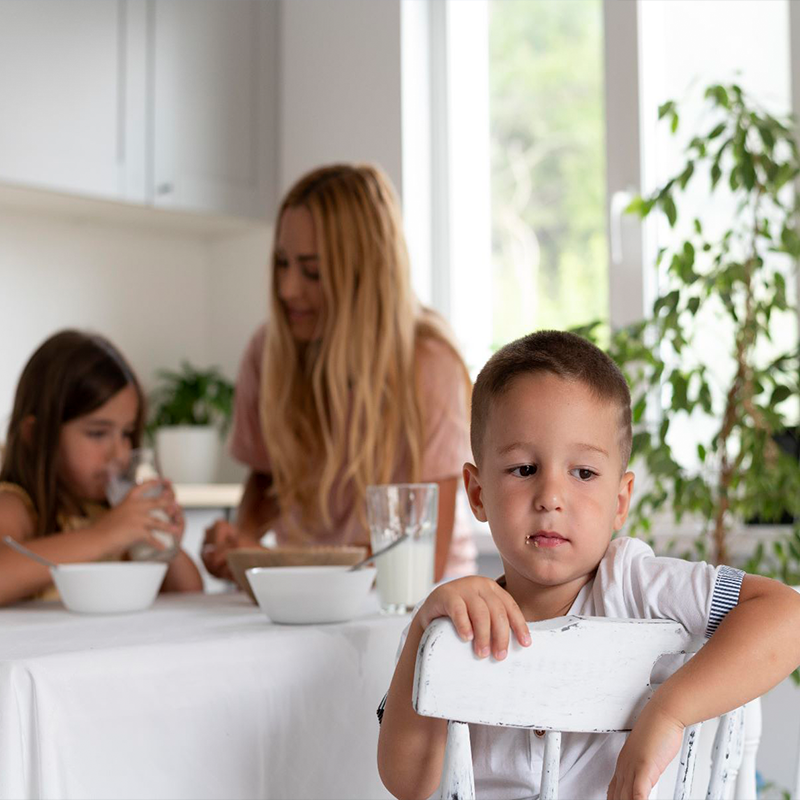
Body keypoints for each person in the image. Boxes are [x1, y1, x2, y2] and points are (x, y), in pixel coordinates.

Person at [377, 330, 800, 800]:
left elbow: (789, 614)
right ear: (478, 494)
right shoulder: (458, 626)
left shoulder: (635, 584)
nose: (551, 497)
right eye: (524, 469)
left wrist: (668, 711)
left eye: (583, 473)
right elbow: (408, 783)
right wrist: (425, 628)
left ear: (620, 501)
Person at [202, 163, 475, 583]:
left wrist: (285, 564)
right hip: (310, 596)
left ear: (366, 273)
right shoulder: (267, 351)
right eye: (282, 263)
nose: (288, 289)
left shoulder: (429, 362)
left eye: (312, 270)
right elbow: (267, 478)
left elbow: (419, 561)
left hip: (419, 604)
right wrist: (240, 541)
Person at [0, 330, 203, 605]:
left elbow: (190, 596)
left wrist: (166, 543)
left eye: (126, 433)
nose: (120, 454)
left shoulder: (114, 511)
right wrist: (104, 535)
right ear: (36, 436)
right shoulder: (16, 507)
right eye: (97, 433)